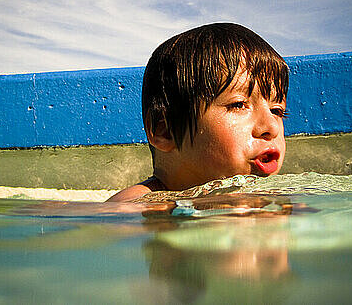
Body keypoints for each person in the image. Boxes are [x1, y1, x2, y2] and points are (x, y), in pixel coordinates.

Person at [107, 22, 289, 202]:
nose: (271, 126)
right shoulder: (141, 207)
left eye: (277, 111)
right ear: (165, 130)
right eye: (239, 105)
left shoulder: (272, 200)